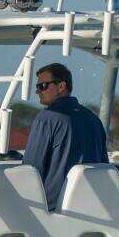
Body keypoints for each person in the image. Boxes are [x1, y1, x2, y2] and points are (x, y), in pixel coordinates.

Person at [22, 62, 108, 210]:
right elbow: (103, 166)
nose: (37, 91)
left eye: (43, 86)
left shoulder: (46, 119)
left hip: (53, 210)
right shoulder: (94, 120)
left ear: (61, 86)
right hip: (92, 209)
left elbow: (29, 170)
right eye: (37, 87)